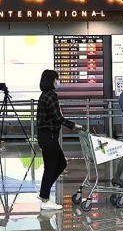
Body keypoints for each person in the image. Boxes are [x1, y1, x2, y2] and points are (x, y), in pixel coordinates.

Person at [36, 69, 82, 210]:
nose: (58, 81)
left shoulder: (44, 95)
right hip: (49, 135)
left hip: (45, 135)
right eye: (57, 79)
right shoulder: (51, 96)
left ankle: (44, 192)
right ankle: (45, 200)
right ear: (51, 80)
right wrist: (73, 126)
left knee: (61, 164)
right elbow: (58, 118)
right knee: (51, 167)